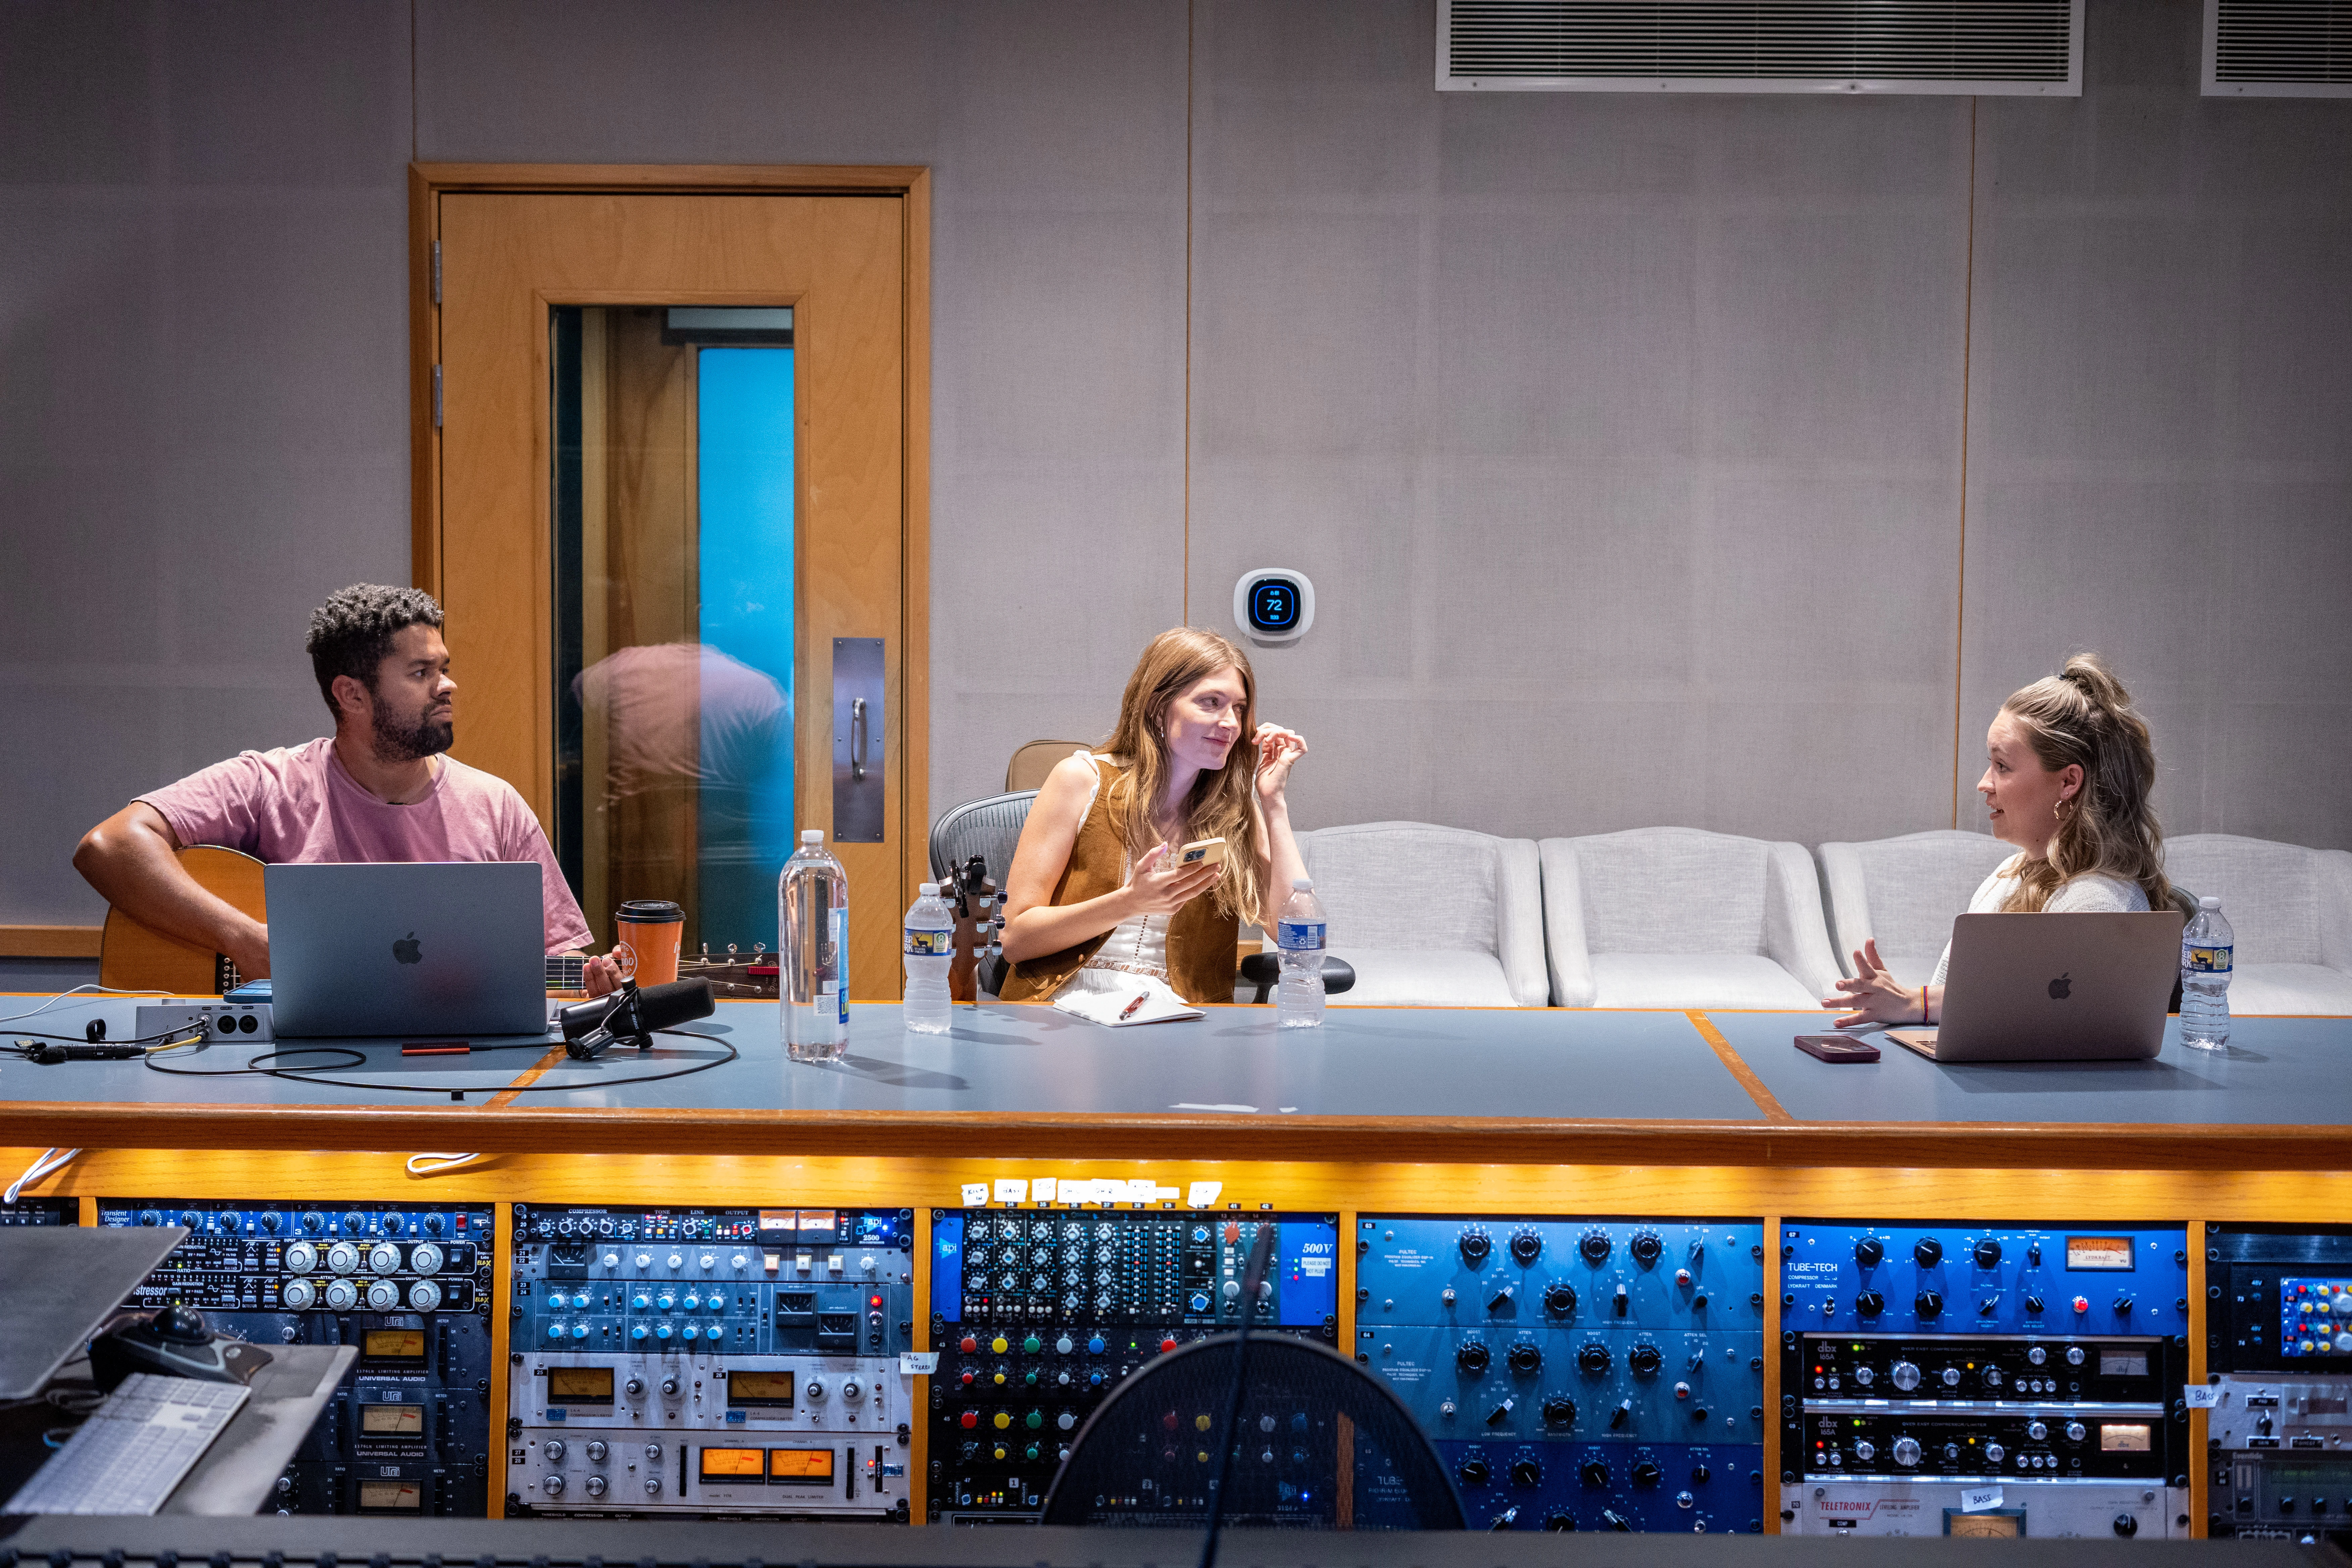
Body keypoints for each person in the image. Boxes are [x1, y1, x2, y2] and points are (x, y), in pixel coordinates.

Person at [74, 584, 625, 997]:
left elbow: (559, 966)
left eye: (445, 668)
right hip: (286, 1079)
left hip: (452, 1073)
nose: (449, 685)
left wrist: (591, 984)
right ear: (352, 695)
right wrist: (242, 938)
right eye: (420, 673)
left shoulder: (496, 806)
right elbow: (108, 847)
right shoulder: (270, 784)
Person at [1826, 652, 2168, 1028]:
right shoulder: (2009, 873)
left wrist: (1916, 1003)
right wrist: (1907, 1004)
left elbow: (2034, 1024)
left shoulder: (2098, 901)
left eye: (2002, 766)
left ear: (2069, 782)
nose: (1984, 783)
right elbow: (1954, 1013)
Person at [998, 627, 1309, 1009]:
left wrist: (1273, 802)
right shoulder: (1080, 780)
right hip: (1064, 1003)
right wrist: (1129, 902)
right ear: (1158, 707)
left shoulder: (1236, 811)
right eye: (1211, 702)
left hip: (1182, 1013)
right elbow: (1014, 940)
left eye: (1239, 708)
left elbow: (1298, 934)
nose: (1231, 722)